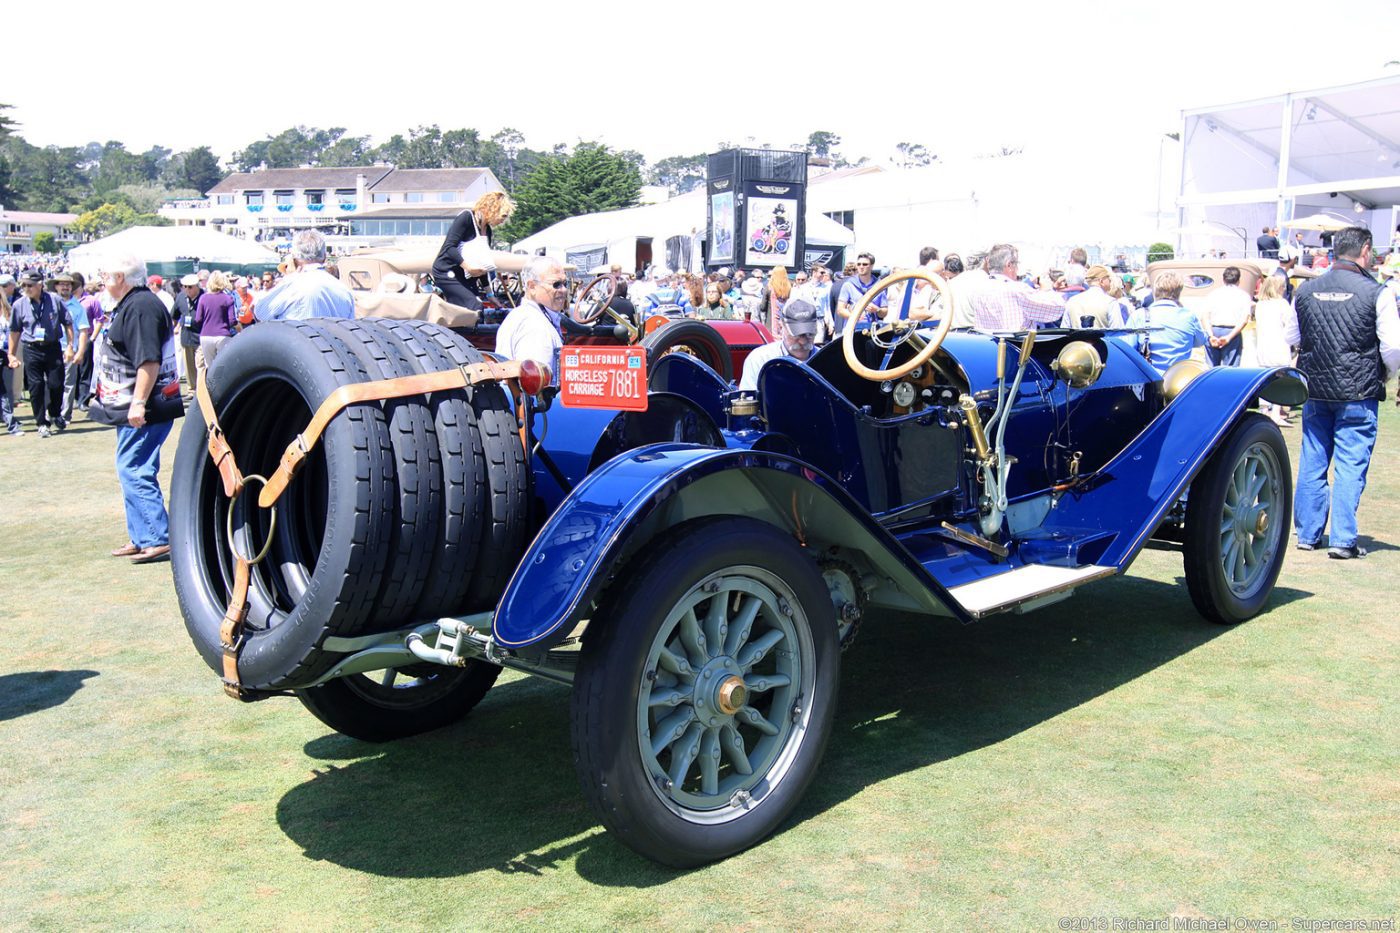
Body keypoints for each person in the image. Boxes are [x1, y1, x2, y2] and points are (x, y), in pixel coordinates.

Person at [1283, 226, 1400, 560]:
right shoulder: (1377, 292)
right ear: (1365, 250)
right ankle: (1343, 539)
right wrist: (1386, 375)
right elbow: (1393, 346)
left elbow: (1291, 334)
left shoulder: (1306, 290)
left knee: (1313, 459)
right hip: (1358, 390)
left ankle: (1307, 533)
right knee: (1350, 463)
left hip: (1315, 387)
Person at [91, 253, 181, 565]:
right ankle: (142, 535)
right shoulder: (135, 304)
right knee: (131, 466)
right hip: (137, 404)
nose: (101, 279)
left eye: (105, 274)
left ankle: (156, 537)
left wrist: (139, 402)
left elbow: (149, 360)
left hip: (146, 406)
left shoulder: (140, 307)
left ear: (120, 278)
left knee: (134, 468)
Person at [7, 271, 75, 437]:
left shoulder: (55, 300)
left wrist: (70, 346)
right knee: (36, 387)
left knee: (56, 384)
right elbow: (15, 331)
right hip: (31, 349)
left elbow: (67, 324)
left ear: (40, 285)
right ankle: (41, 423)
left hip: (52, 347)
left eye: (29, 285)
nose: (25, 288)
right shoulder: (19, 305)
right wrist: (11, 354)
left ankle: (54, 413)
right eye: (23, 285)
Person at [429, 191, 515, 310]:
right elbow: (449, 247)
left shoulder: (487, 231)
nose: (503, 220)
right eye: (503, 216)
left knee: (479, 306)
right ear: (492, 209)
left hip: (466, 275)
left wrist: (490, 294)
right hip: (446, 271)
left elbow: (482, 265)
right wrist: (468, 267)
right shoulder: (467, 217)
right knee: (473, 305)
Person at [255, 230, 355, 321]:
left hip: (295, 340)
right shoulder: (343, 290)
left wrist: (289, 278)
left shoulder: (292, 284)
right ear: (324, 257)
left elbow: (260, 312)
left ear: (294, 258)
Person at [1126, 271, 1208, 376]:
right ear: (1179, 292)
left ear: (1155, 291)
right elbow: (1200, 341)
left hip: (1149, 377)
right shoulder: (1188, 316)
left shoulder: (1139, 316)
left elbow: (1128, 348)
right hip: (1179, 378)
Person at [966, 243, 1066, 330]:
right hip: (1015, 349)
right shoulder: (1017, 290)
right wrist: (1047, 289)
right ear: (1009, 265)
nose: (1017, 268)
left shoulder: (979, 289)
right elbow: (1057, 309)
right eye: (1016, 264)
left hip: (989, 348)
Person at [495, 256, 565, 370]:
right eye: (556, 284)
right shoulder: (534, 325)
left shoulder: (524, 315)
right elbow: (535, 382)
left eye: (564, 284)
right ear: (532, 286)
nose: (563, 290)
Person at [739, 299, 821, 391]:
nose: (802, 341)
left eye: (809, 334)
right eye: (796, 335)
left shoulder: (826, 361)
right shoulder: (760, 359)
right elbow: (748, 400)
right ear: (782, 326)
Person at [50, 273, 91, 424]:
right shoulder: (49, 303)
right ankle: (51, 413)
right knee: (51, 383)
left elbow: (83, 331)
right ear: (56, 286)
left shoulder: (78, 307)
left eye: (68, 284)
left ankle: (64, 416)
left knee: (68, 383)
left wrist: (80, 351)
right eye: (62, 284)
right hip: (50, 349)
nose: (65, 286)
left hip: (70, 350)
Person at [1200, 266, 1251, 366]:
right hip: (1232, 331)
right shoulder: (1243, 296)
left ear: (1223, 279)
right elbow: (1244, 320)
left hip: (1214, 329)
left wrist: (1211, 336)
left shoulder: (1213, 294)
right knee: (1231, 369)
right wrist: (1229, 337)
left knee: (1211, 368)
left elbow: (1204, 316)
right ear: (1238, 280)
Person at [194, 270, 240, 370]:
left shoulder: (203, 298)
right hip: (222, 335)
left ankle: (210, 385)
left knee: (209, 367)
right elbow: (232, 320)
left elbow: (198, 319)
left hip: (206, 336)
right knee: (225, 366)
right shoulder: (228, 298)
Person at [173, 274, 203, 394]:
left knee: (200, 365)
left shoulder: (204, 297)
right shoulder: (181, 297)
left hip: (201, 335)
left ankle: (201, 389)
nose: (187, 289)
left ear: (196, 286)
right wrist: (175, 326)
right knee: (189, 366)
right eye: (184, 286)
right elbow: (174, 315)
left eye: (190, 287)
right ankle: (192, 390)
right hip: (186, 336)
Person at [836, 252, 887, 323]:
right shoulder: (849, 285)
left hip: (871, 329)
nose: (861, 267)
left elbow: (884, 312)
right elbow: (840, 310)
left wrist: (877, 310)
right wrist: (854, 317)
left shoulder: (879, 286)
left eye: (865, 264)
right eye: (859, 264)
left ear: (872, 266)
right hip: (852, 329)